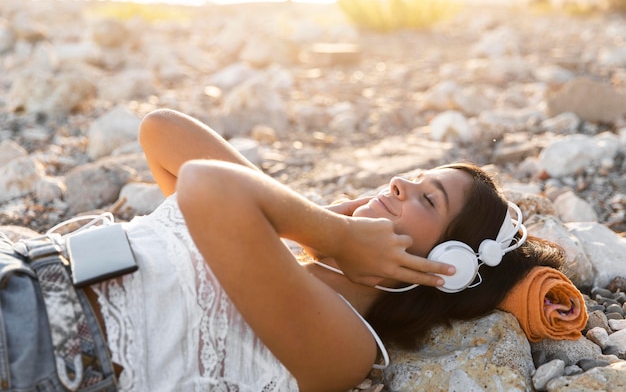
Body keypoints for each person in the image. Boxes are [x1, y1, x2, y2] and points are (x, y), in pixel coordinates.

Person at [76, 108, 564, 392]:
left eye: (427, 198)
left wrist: (332, 236)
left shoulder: (346, 347)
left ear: (445, 266)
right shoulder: (273, 240)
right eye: (414, 179)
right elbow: (160, 131)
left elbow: (208, 185)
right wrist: (316, 222)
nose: (398, 183)